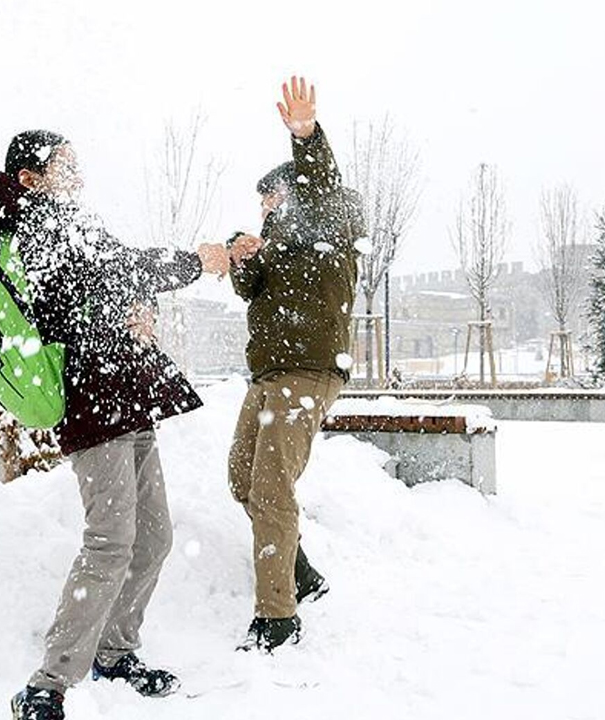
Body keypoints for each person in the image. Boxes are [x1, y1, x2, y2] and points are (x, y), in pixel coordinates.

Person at [0, 130, 230, 720]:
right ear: (32, 178)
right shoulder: (34, 224)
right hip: (91, 402)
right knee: (110, 542)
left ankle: (115, 651)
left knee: (154, 538)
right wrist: (195, 263)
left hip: (125, 392)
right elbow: (112, 273)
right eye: (65, 164)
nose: (78, 172)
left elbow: (109, 284)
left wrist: (139, 308)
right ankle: (47, 685)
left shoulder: (69, 219)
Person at [225, 76, 366, 652]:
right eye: (262, 201)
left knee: (271, 488)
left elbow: (322, 184)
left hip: (308, 372)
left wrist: (305, 135)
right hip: (269, 375)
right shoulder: (276, 244)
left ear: (297, 192)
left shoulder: (330, 221)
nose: (266, 207)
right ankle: (300, 571)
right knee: (242, 478)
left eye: (273, 197)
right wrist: (241, 256)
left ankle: (277, 617)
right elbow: (250, 290)